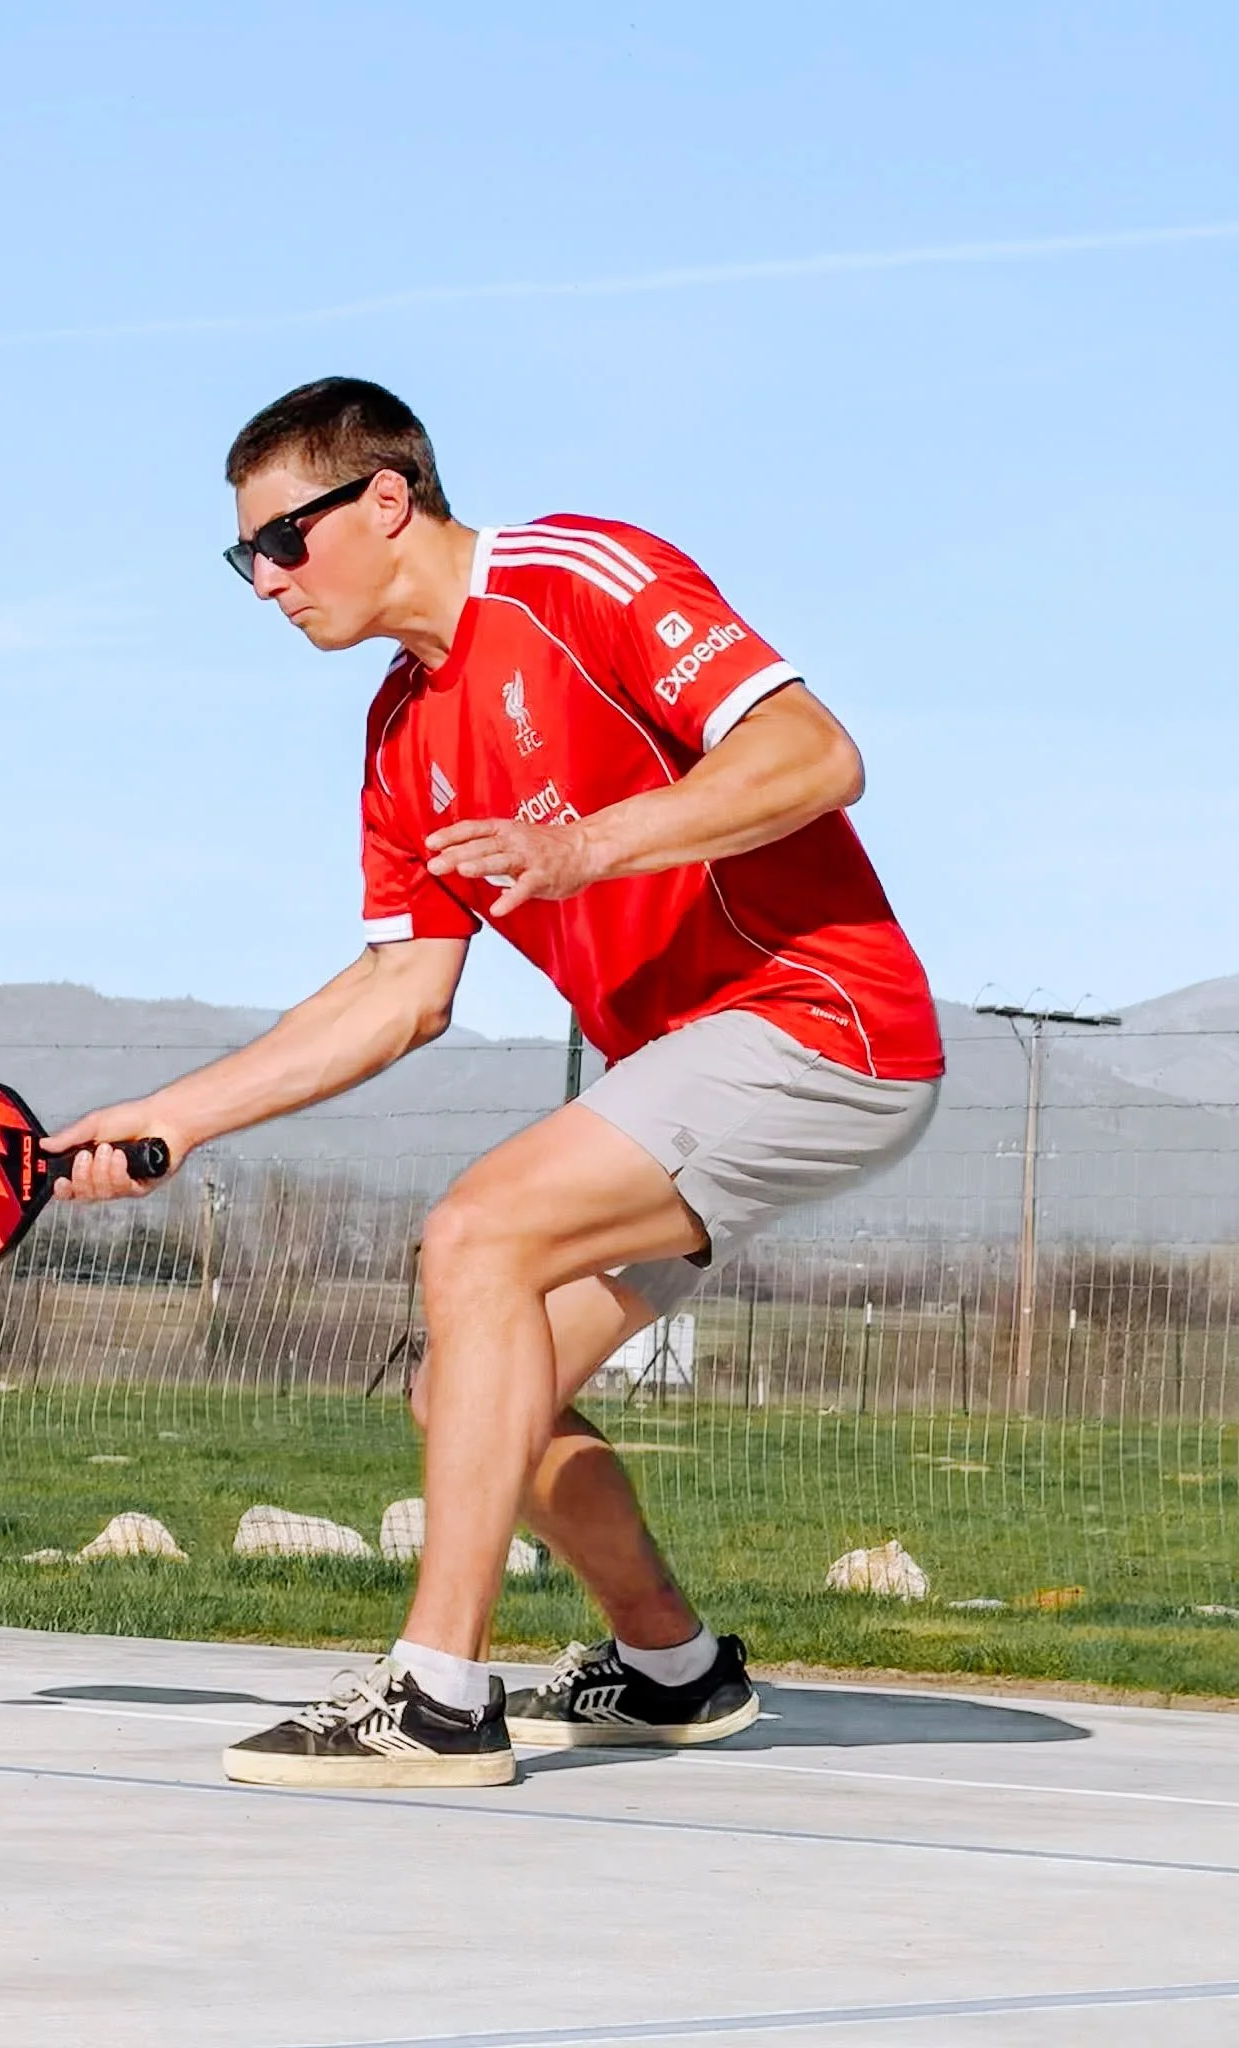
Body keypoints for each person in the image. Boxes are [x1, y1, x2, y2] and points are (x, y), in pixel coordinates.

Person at [47, 376, 943, 1789]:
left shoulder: (578, 576)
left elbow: (815, 756)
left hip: (815, 1019)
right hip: (692, 1069)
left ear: (383, 500)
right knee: (471, 1383)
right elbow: (401, 994)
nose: (263, 583)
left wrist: (587, 848)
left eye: (278, 543)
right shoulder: (400, 735)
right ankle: (668, 1669)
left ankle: (436, 1696)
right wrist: (172, 1119)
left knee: (474, 1234)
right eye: (243, 558)